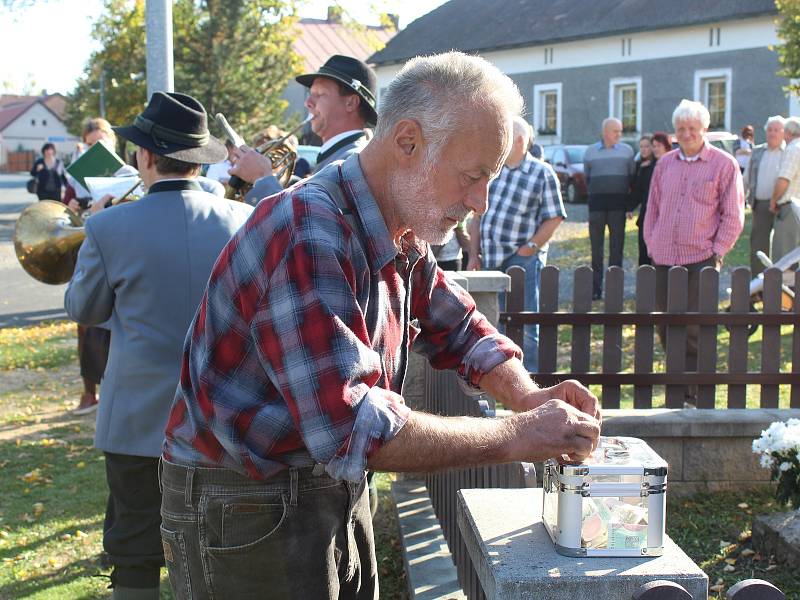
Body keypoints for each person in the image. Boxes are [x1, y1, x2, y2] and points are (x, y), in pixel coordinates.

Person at [160, 52, 600, 600]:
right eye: (472, 177)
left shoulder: (396, 218)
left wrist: (527, 397)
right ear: (408, 142)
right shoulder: (308, 231)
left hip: (317, 485)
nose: (479, 202)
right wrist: (520, 436)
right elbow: (355, 429)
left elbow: (455, 323)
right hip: (247, 506)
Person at [64, 92, 253, 600]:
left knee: (134, 550)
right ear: (197, 160)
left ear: (145, 157)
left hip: (135, 421)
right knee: (222, 548)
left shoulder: (107, 226)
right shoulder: (241, 219)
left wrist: (92, 235)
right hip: (222, 416)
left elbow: (84, 310)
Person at [644, 99, 744, 404]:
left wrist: (717, 251)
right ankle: (675, 388)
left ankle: (693, 393)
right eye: (680, 129)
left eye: (692, 128)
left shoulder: (723, 164)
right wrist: (651, 241)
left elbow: (734, 214)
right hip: (662, 257)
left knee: (694, 329)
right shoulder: (665, 164)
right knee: (664, 324)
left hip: (700, 258)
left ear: (705, 129)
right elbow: (653, 208)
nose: (686, 134)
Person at [467, 115, 565, 372]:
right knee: (492, 321)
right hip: (489, 258)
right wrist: (473, 254)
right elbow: (477, 216)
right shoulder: (493, 171)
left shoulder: (541, 173)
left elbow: (554, 216)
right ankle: (497, 376)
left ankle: (529, 380)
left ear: (519, 140)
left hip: (520, 259)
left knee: (526, 322)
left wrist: (530, 248)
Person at [231, 54, 378, 204]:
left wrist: (262, 177)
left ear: (351, 103)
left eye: (319, 94)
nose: (307, 102)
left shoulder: (352, 162)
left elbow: (306, 223)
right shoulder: (336, 156)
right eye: (310, 94)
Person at [582, 117, 635, 300]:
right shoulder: (590, 152)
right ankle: (596, 290)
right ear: (605, 132)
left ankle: (614, 290)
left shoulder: (627, 152)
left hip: (618, 208)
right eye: (615, 131)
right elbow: (587, 179)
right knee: (596, 250)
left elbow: (631, 179)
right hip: (596, 208)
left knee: (616, 250)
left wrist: (628, 205)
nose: (619, 134)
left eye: (620, 131)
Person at [744, 116, 785, 274]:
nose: (772, 133)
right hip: (760, 204)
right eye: (769, 130)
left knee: (781, 246)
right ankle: (757, 285)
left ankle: (779, 285)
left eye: (776, 130)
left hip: (783, 206)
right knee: (758, 245)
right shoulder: (757, 151)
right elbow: (746, 178)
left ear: (783, 132)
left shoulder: (789, 152)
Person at [770, 116, 800, 263]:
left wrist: (773, 201)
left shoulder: (793, 149)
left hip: (790, 210)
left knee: (785, 259)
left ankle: (783, 287)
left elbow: (783, 180)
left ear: (787, 133)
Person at [629, 134, 655, 266]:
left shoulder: (658, 164)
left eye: (647, 146)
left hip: (657, 214)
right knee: (643, 250)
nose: (644, 149)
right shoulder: (639, 165)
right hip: (644, 214)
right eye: (641, 147)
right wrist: (630, 207)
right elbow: (637, 190)